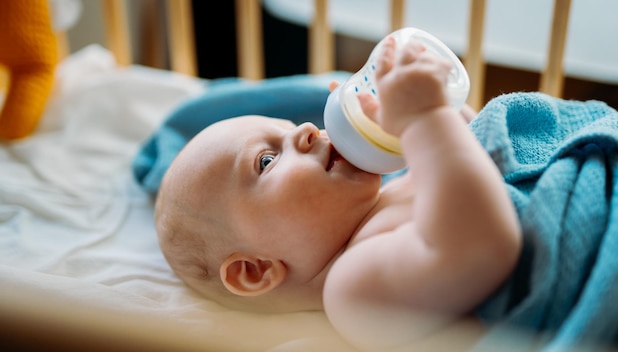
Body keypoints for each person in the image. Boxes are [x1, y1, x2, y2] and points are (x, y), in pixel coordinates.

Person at [154, 35, 522, 350]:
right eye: (266, 160)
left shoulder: (396, 186)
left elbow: (483, 155)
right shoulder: (353, 292)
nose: (308, 130)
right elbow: (479, 246)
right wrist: (425, 120)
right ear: (255, 270)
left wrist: (423, 111)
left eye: (292, 127)